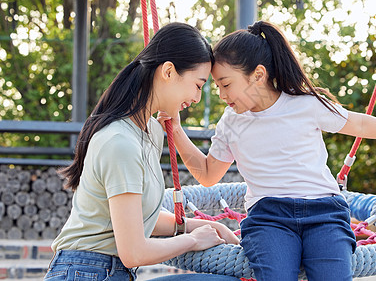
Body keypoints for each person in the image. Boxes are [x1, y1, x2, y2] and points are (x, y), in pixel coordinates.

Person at [157, 21, 376, 281]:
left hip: (324, 212)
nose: (221, 94)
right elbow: (206, 174)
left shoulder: (305, 105)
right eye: (216, 86)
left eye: (226, 84)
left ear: (258, 75)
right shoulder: (232, 122)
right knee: (275, 275)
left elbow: (357, 122)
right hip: (269, 216)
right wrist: (177, 132)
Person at [45, 22, 240, 281]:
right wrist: (192, 240)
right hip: (85, 271)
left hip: (107, 272)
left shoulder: (150, 130)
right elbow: (134, 252)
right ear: (168, 72)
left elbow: (139, 217)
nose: (196, 97)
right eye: (198, 84)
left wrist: (202, 225)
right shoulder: (120, 141)